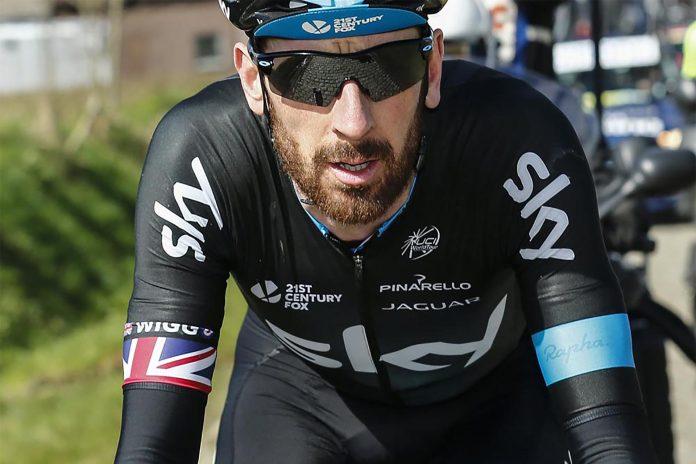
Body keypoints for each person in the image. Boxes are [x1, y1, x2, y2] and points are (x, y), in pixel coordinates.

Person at [114, 1, 658, 462]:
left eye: (386, 67)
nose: (353, 123)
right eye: (307, 74)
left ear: (433, 68)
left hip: (496, 409)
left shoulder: (516, 145)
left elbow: (608, 433)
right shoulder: (204, 162)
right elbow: (152, 443)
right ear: (254, 81)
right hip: (300, 402)